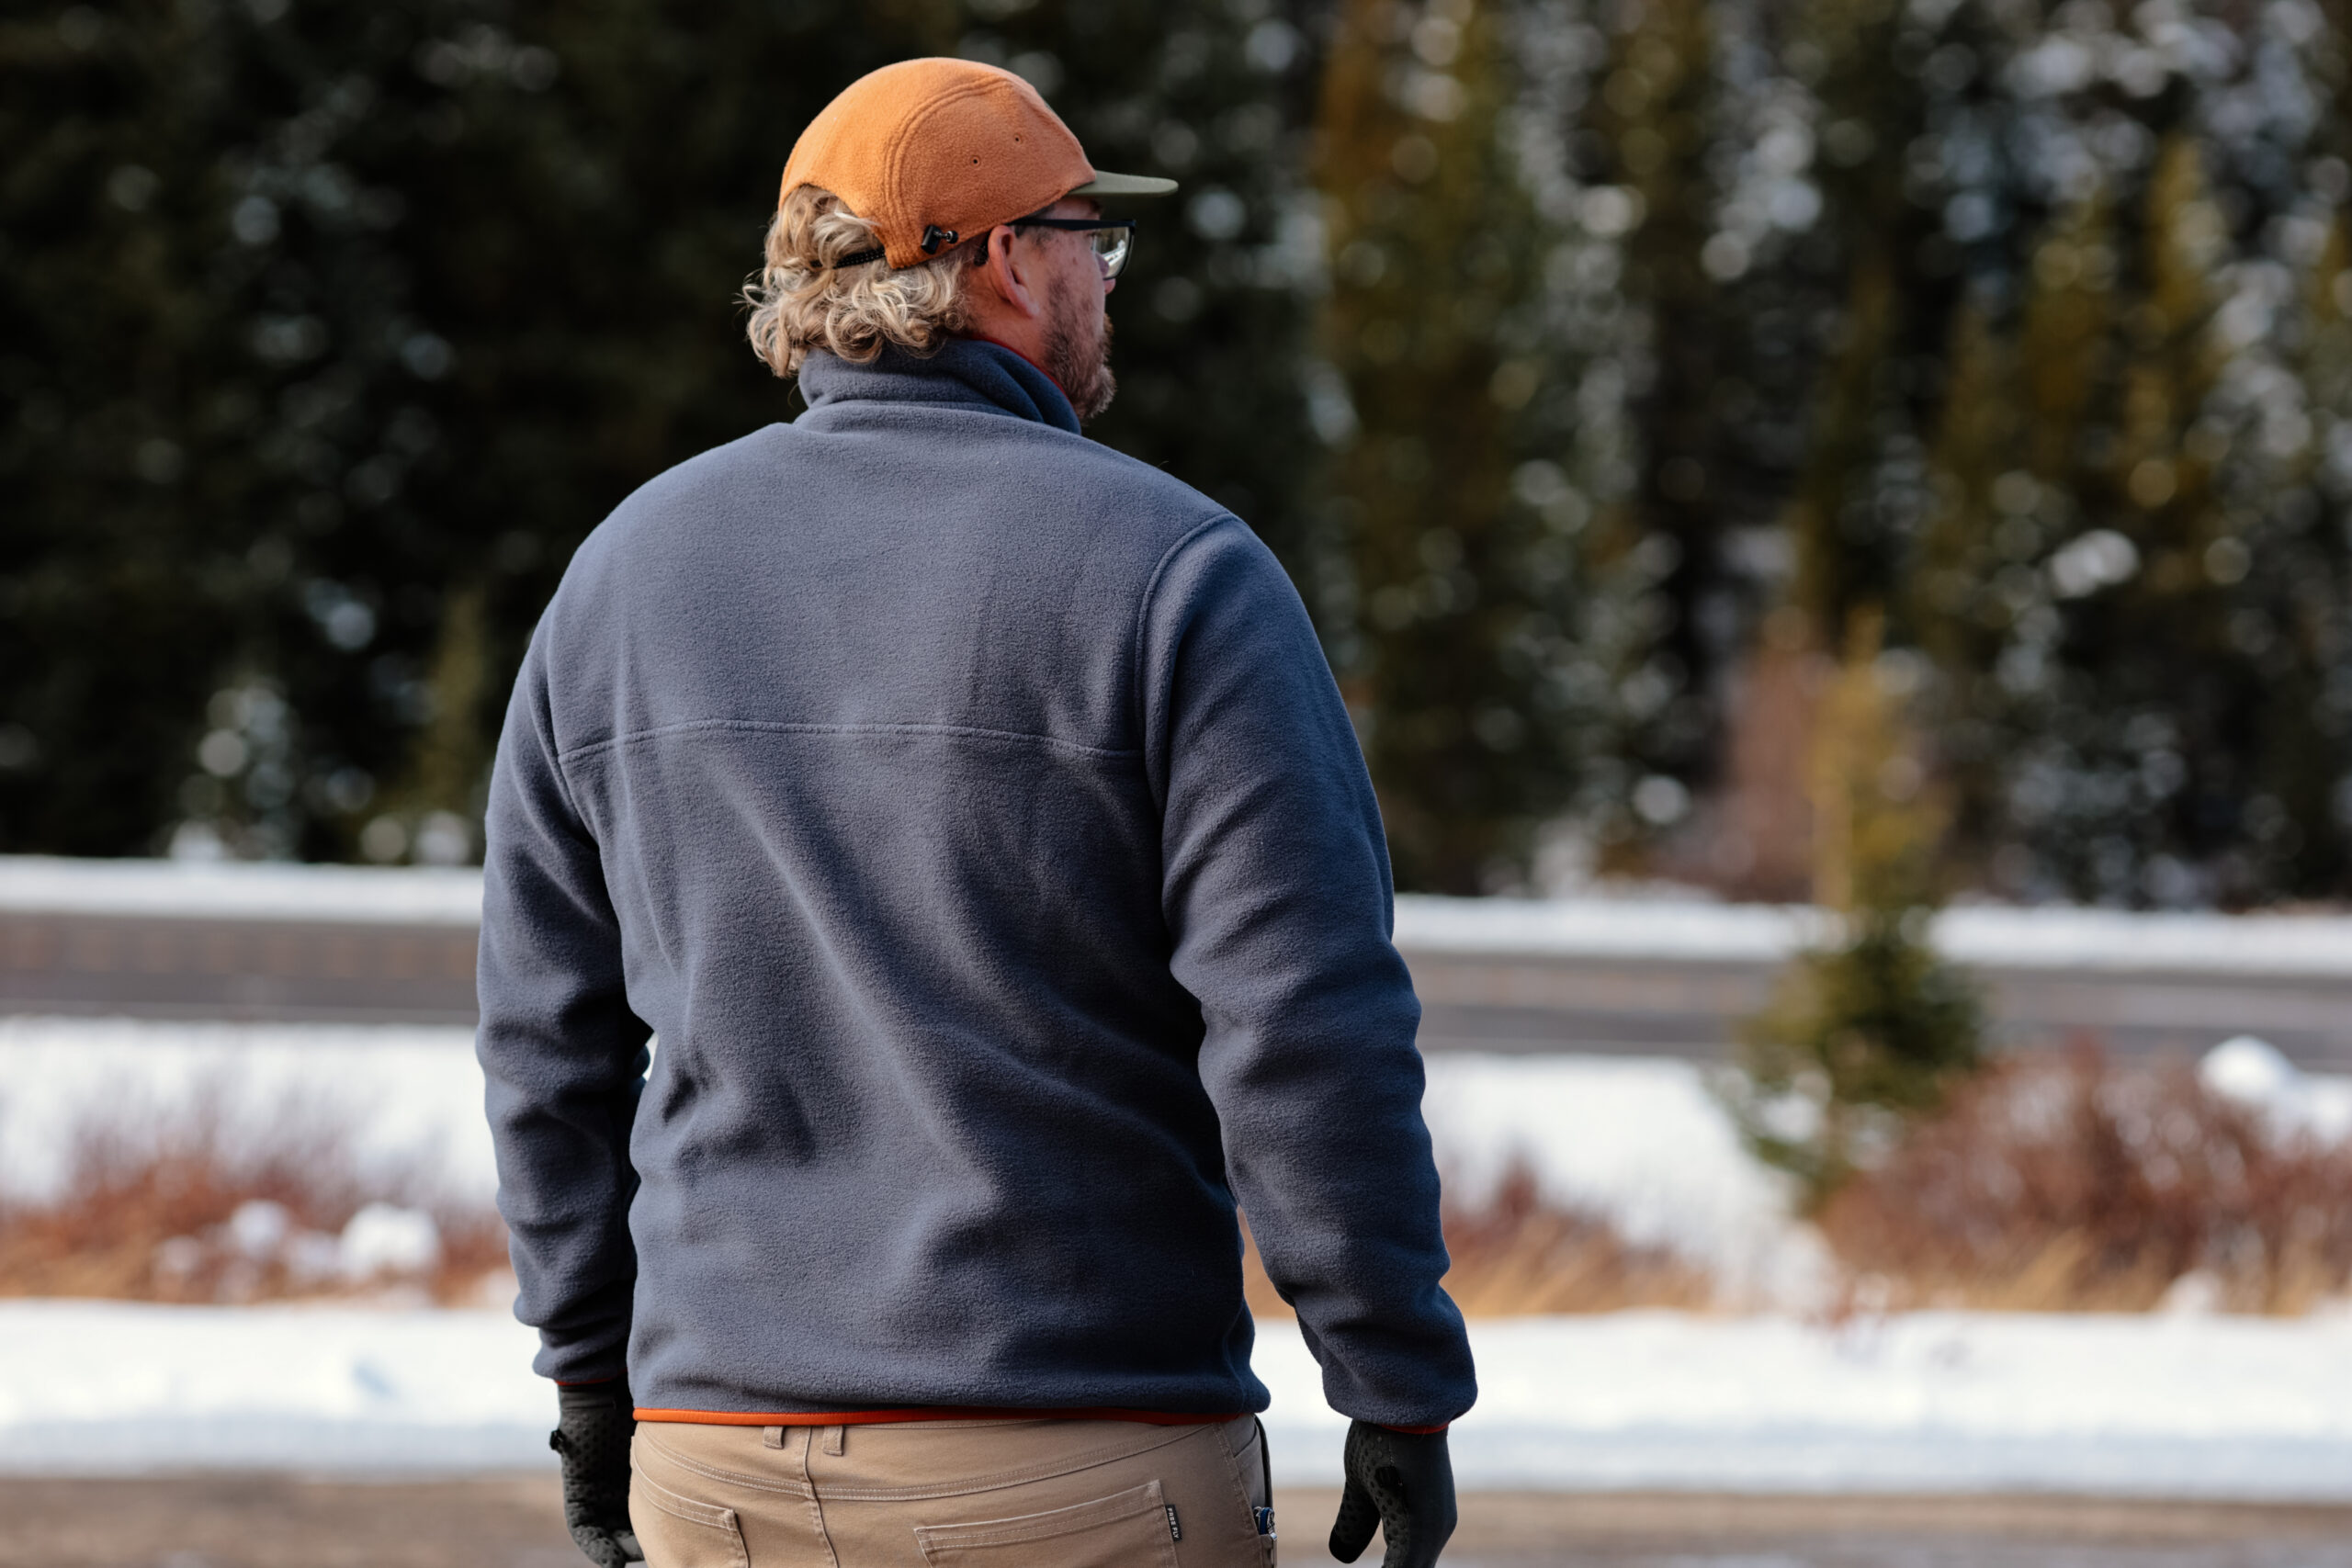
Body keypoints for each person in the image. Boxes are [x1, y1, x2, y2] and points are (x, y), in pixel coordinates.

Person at [478, 57, 1475, 1568]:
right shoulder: (1179, 576)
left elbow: (548, 1038)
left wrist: (589, 1376)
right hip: (1075, 1461)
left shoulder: (621, 574)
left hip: (719, 1467)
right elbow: (1302, 1023)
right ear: (1006, 261)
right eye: (1093, 238)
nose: (1105, 279)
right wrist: (1395, 1382)